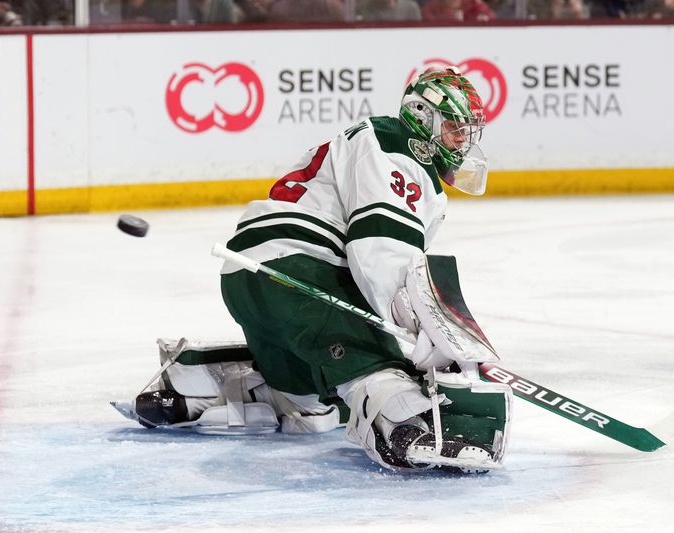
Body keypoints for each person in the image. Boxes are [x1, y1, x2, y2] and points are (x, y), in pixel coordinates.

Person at [127, 66, 513, 474]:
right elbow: (381, 250)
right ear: (423, 116)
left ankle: (220, 388)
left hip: (251, 276)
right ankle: (403, 428)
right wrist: (428, 331)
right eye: (454, 128)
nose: (461, 141)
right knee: (375, 367)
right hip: (301, 272)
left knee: (314, 407)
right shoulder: (400, 145)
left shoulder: (375, 141)